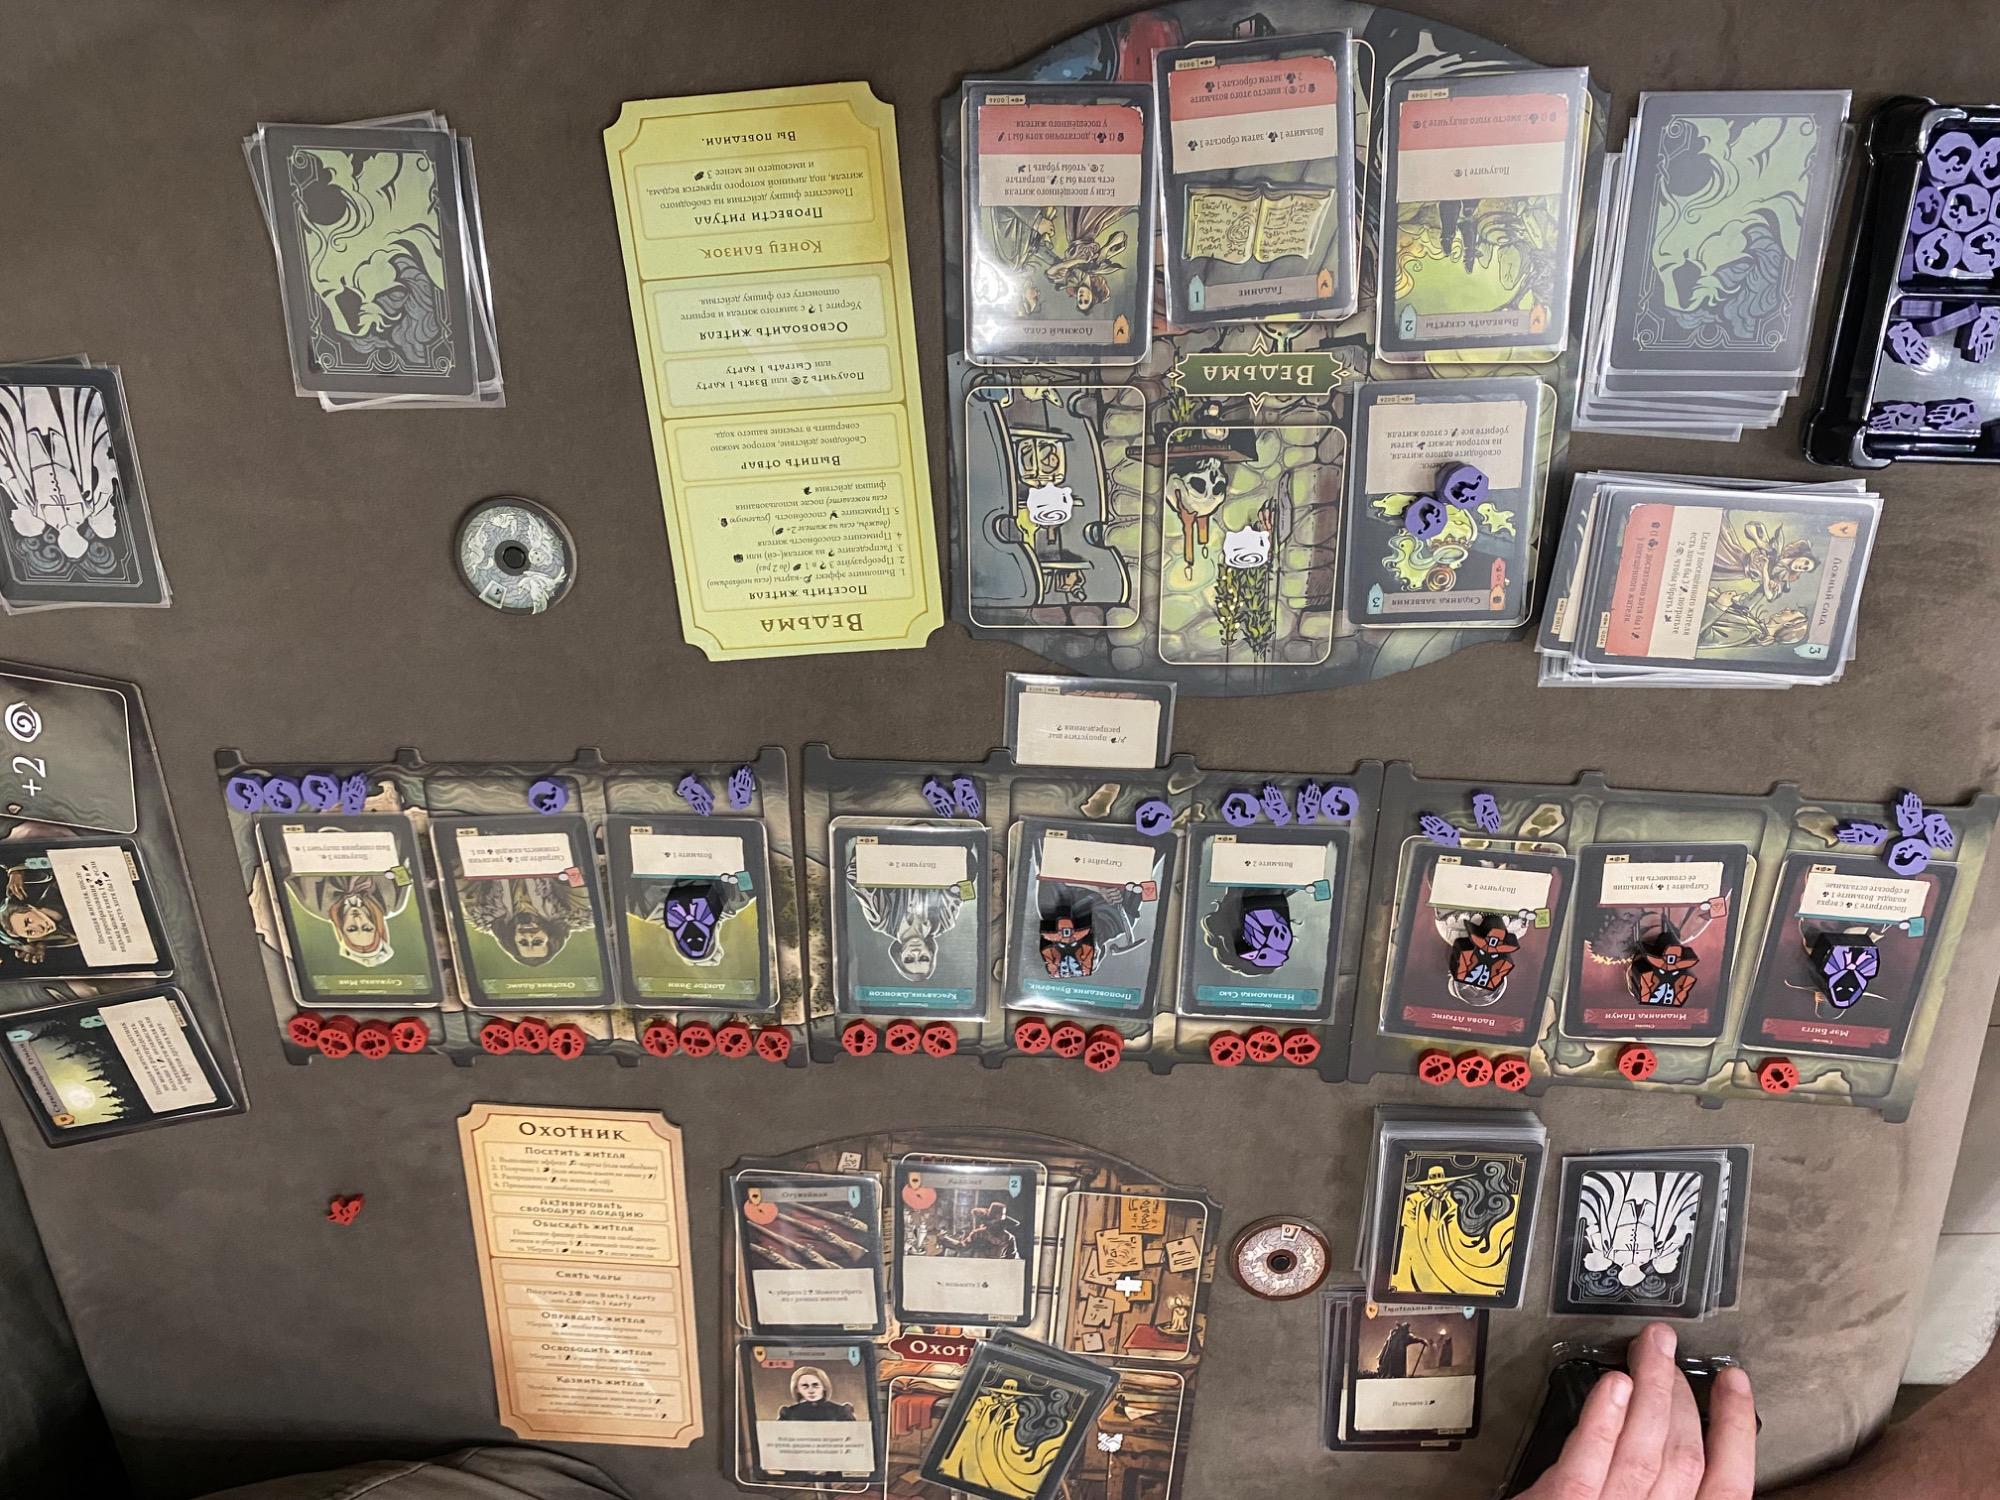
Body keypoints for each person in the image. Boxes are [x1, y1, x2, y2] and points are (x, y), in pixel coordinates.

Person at [777, 1365, 853, 1422]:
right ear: (797, 1389)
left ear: (824, 1386)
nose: (811, 1390)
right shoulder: (789, 1413)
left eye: (815, 1385)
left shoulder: (841, 1411)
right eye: (805, 1386)